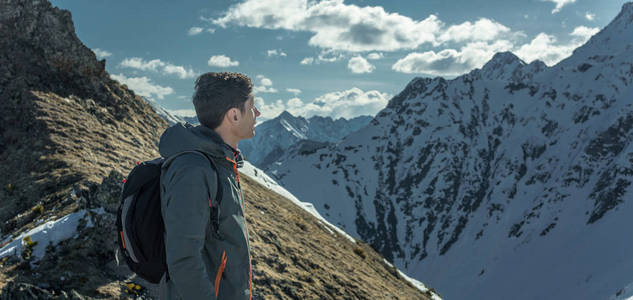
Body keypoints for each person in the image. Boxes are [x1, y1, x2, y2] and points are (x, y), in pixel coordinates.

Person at [158, 72, 260, 299]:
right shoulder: (194, 170)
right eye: (252, 106)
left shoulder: (220, 163)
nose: (258, 113)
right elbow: (183, 259)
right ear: (234, 115)